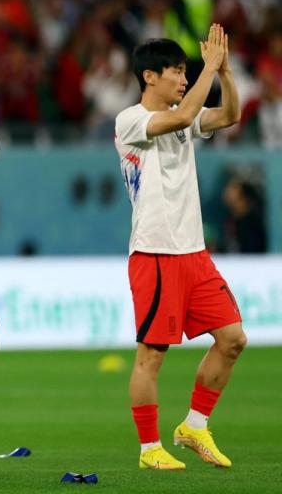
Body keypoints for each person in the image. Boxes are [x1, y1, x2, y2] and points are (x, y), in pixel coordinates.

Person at [115, 25, 245, 471]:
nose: (184, 79)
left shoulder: (184, 116)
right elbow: (181, 116)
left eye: (187, 71)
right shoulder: (130, 120)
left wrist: (224, 73)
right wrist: (209, 67)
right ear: (149, 76)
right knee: (152, 356)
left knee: (233, 339)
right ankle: (149, 448)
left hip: (194, 253)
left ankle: (194, 425)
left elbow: (228, 116)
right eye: (177, 71)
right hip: (154, 253)